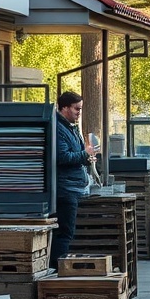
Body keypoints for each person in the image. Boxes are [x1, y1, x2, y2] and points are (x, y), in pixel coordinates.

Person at [49, 90, 97, 268]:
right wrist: (85, 154)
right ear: (65, 108)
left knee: (66, 232)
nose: (79, 113)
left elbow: (73, 154)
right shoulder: (59, 128)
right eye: (77, 109)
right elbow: (63, 157)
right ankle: (57, 269)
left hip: (72, 186)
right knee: (65, 232)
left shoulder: (69, 127)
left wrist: (86, 156)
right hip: (66, 188)